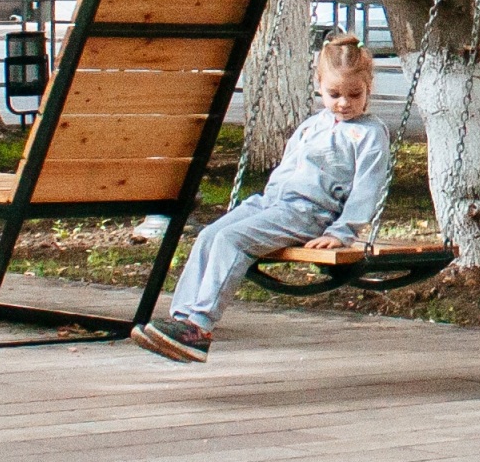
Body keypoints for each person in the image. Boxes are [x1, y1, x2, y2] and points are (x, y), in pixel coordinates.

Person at [134, 34, 393, 363]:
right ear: (319, 86)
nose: (344, 103)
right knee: (209, 234)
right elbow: (287, 170)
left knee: (231, 240)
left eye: (354, 94)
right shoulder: (312, 125)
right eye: (334, 94)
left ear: (368, 86)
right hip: (273, 203)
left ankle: (199, 327)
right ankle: (181, 319)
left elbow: (367, 188)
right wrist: (263, 206)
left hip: (308, 213)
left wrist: (340, 232)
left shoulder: (370, 134)